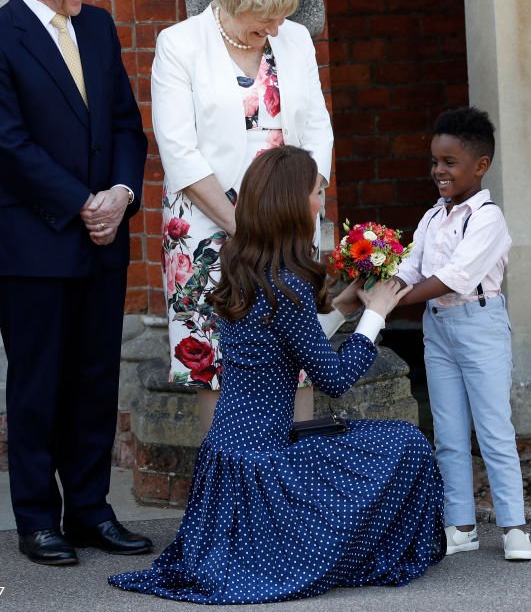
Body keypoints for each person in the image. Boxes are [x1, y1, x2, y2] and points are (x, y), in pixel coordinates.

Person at [109, 145, 445, 604]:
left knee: (363, 445)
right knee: (405, 443)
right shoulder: (286, 285)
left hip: (229, 460)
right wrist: (378, 314)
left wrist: (345, 304)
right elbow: (335, 380)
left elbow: (285, 345)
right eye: (315, 191)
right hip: (268, 464)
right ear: (291, 203)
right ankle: (365, 554)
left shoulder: (244, 265)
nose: (320, 199)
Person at [0, 0, 150, 565]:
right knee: (39, 383)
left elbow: (126, 124)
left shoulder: (97, 27)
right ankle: (38, 519)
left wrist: (121, 196)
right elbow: (7, 146)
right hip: (35, 243)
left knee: (97, 378)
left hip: (105, 237)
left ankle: (91, 511)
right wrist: (81, 203)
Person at [151, 0, 334, 433]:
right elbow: (178, 149)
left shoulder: (294, 39)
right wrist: (247, 228)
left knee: (297, 355)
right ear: (232, 3)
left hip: (291, 222)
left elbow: (317, 128)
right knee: (212, 359)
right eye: (264, 19)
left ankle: (296, 487)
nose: (275, 29)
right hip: (208, 227)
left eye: (280, 17)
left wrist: (302, 208)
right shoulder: (180, 44)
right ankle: (225, 489)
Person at [393, 107, 531, 562]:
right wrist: (373, 283)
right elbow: (410, 268)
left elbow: (456, 275)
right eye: (435, 161)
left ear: (480, 165)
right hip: (439, 328)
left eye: (450, 162)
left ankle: (514, 527)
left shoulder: (488, 218)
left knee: (493, 428)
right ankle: (461, 525)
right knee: (449, 433)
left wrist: (394, 302)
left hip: (480, 325)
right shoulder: (433, 218)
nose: (439, 171)